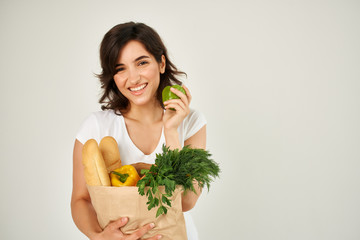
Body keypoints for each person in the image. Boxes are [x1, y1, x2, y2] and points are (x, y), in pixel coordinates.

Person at [71, 22, 207, 240]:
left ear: (161, 63)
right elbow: (81, 200)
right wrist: (98, 236)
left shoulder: (191, 122)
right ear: (113, 77)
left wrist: (171, 131)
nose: (133, 79)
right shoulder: (96, 127)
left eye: (141, 63)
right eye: (120, 69)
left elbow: (186, 202)